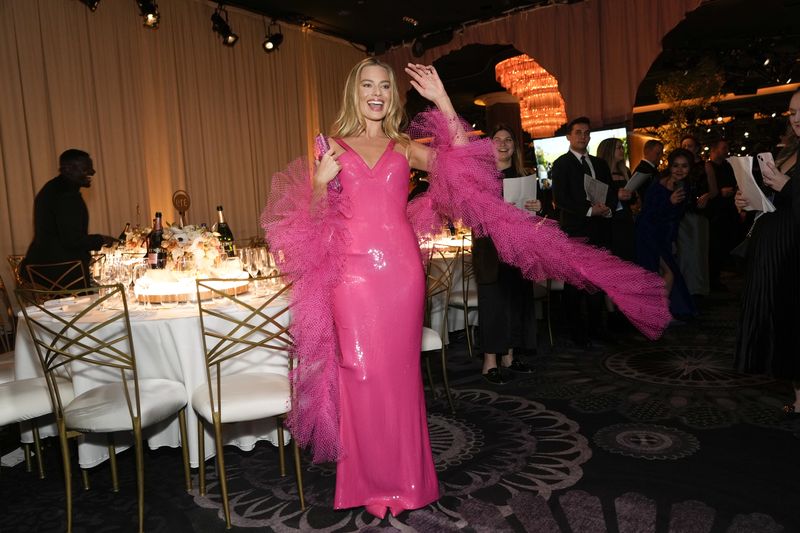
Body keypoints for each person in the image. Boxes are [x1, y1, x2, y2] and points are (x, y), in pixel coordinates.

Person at [263, 59, 671, 519]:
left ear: (393, 97)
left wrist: (441, 100)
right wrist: (319, 183)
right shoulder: (331, 147)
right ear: (352, 92)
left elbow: (465, 168)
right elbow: (314, 224)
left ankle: (405, 482)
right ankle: (363, 481)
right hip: (351, 278)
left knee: (398, 375)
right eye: (367, 85)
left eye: (384, 86)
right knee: (357, 371)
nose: (376, 93)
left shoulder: (403, 146)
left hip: (400, 273)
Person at [734, 88, 800, 416]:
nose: (797, 118)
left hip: (793, 249)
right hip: (773, 244)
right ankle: (798, 396)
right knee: (782, 318)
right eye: (792, 112)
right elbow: (777, 200)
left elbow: (791, 193)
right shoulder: (789, 149)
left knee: (792, 317)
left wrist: (786, 186)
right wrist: (748, 199)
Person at [473, 125, 539, 384]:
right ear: (489, 145)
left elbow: (535, 218)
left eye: (508, 140)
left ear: (514, 146)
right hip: (490, 251)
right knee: (493, 305)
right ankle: (489, 362)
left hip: (518, 249)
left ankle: (510, 358)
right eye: (497, 139)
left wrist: (537, 206)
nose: (502, 144)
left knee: (516, 303)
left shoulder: (524, 176)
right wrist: (497, 211)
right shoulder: (479, 178)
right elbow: (472, 217)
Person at [550, 117, 616, 347]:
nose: (583, 136)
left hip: (600, 229)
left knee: (598, 282)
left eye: (586, 133)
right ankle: (577, 333)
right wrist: (589, 211)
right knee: (575, 284)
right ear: (569, 136)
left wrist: (606, 210)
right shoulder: (561, 164)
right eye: (578, 132)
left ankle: (597, 328)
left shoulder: (600, 164)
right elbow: (561, 199)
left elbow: (611, 192)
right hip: (575, 230)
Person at [20, 149, 116, 288]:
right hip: (59, 275)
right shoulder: (66, 196)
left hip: (40, 269)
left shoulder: (53, 187)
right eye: (86, 168)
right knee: (108, 290)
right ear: (68, 169)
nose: (92, 172)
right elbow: (72, 240)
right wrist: (103, 240)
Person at [635, 148, 697, 319]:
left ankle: (652, 312)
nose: (679, 170)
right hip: (648, 233)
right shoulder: (658, 183)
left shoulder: (686, 188)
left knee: (663, 273)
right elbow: (649, 212)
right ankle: (656, 313)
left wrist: (672, 240)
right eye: (676, 165)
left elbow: (675, 218)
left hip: (664, 236)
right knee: (666, 272)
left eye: (684, 166)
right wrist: (669, 202)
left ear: (690, 168)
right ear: (669, 167)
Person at [676, 134, 715, 297]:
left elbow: (714, 190)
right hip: (681, 215)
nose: (686, 148)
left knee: (698, 252)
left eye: (689, 146)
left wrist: (707, 196)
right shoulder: (680, 167)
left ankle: (698, 289)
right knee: (684, 254)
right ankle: (685, 288)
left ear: (697, 148)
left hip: (698, 215)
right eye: (684, 145)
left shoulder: (705, 165)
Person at [705, 138, 740, 290]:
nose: (726, 150)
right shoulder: (707, 167)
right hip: (715, 213)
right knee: (715, 246)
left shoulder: (727, 166)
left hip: (728, 211)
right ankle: (713, 279)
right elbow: (706, 191)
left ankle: (719, 275)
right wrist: (720, 192)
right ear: (714, 150)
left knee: (724, 244)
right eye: (723, 148)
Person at [596, 137, 634, 261]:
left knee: (629, 258)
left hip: (627, 220)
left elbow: (634, 198)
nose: (622, 150)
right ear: (609, 150)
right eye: (619, 147)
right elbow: (597, 198)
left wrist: (631, 196)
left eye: (622, 147)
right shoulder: (599, 173)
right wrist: (615, 195)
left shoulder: (625, 171)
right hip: (609, 223)